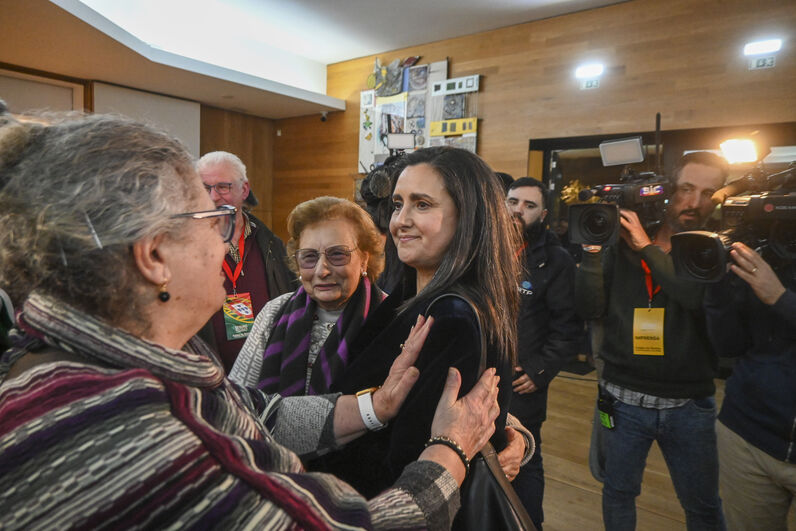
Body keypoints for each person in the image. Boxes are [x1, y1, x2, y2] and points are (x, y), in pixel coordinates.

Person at [0, 110, 504, 530]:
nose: (227, 242)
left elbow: (254, 412)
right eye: (211, 220)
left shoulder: (100, 357)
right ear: (153, 255)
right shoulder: (152, 443)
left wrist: (376, 406)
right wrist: (451, 449)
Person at [230, 196, 531, 477]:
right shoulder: (275, 313)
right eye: (309, 257)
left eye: (337, 255)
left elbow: (455, 388)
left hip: (361, 482)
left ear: (364, 259)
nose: (322, 270)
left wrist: (515, 436)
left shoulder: (394, 318)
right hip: (271, 475)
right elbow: (233, 402)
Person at [309, 146, 522, 501]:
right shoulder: (408, 298)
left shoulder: (453, 318)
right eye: (397, 204)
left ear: (467, 217)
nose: (400, 220)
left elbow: (407, 460)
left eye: (422, 204)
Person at [575, 151, 729, 530]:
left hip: (688, 405)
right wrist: (592, 252)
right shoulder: (621, 244)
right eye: (686, 189)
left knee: (702, 505)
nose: (694, 202)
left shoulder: (712, 247)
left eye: (707, 193)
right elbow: (590, 307)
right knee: (618, 493)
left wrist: (646, 246)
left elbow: (691, 296)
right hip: (622, 397)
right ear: (668, 190)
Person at [506, 177, 582, 529]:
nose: (518, 210)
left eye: (529, 205)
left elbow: (568, 329)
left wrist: (539, 371)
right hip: (480, 377)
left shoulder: (556, 261)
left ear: (544, 214)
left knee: (523, 464)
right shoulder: (484, 248)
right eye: (513, 201)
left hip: (522, 385)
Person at [704, 242, 795, 530]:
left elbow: (778, 299)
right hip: (746, 435)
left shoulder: (772, 283)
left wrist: (781, 299)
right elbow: (729, 346)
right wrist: (716, 288)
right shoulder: (767, 252)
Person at [196, 151, 295, 372]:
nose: (213, 197)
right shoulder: (183, 249)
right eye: (205, 188)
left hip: (268, 372)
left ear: (244, 190)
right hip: (210, 375)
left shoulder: (271, 244)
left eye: (223, 187)